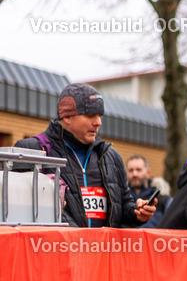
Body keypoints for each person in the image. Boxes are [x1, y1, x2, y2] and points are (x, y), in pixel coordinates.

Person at [14, 83, 155, 227]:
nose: (98, 122)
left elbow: (123, 207)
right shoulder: (33, 150)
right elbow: (15, 211)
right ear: (67, 117)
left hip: (103, 249)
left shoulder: (111, 156)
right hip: (53, 248)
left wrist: (137, 213)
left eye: (99, 116)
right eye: (90, 116)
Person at [125, 155, 171, 228]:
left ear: (148, 173)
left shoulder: (163, 200)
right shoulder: (122, 200)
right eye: (131, 170)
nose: (134, 174)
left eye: (138, 170)